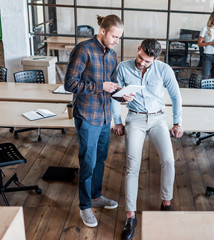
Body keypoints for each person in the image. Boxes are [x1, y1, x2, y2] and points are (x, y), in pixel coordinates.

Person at [65, 15, 134, 228]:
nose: (116, 40)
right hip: (87, 115)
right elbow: (70, 84)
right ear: (102, 31)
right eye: (114, 36)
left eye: (119, 37)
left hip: (105, 117)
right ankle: (85, 205)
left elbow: (111, 87)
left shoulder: (112, 55)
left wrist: (123, 96)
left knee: (100, 159)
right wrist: (99, 87)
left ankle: (95, 196)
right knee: (88, 161)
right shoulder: (83, 49)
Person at [112, 39, 183, 240]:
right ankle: (130, 216)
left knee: (168, 160)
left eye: (147, 62)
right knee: (132, 165)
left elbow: (176, 96)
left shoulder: (164, 69)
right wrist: (117, 122)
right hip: (135, 118)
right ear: (138, 50)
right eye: (141, 58)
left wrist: (177, 123)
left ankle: (166, 203)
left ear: (156, 59)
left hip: (159, 118)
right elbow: (115, 96)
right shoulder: (123, 68)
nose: (142, 63)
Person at [198, 11, 214, 79]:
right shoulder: (205, 28)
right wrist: (211, 43)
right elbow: (199, 44)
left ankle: (213, 90)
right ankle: (203, 90)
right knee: (205, 76)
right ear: (212, 18)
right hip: (208, 55)